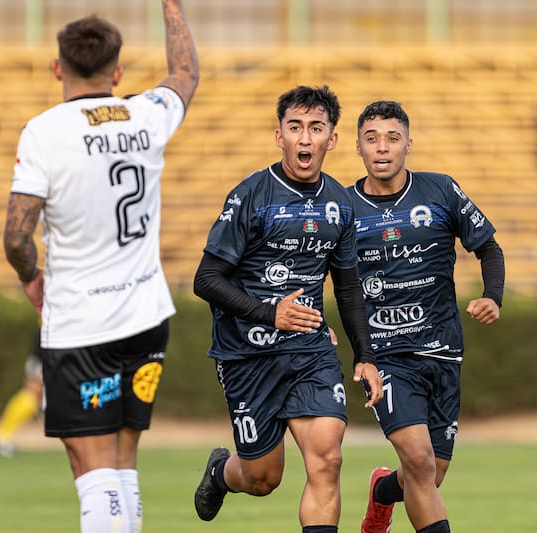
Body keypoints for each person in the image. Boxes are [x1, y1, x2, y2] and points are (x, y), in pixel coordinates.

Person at [2, 3, 198, 532]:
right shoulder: (146, 114)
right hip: (146, 313)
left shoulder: (44, 132)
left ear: (57, 67)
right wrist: (172, 6)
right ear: (117, 72)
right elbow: (184, 73)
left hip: (82, 323)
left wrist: (30, 278)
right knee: (120, 461)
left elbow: (17, 236)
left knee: (91, 469)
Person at [191, 85, 383, 533]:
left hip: (309, 352)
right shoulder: (251, 195)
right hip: (247, 354)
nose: (304, 138)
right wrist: (269, 312)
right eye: (294, 128)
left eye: (315, 129)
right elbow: (206, 280)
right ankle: (222, 472)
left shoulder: (340, 203)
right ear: (279, 136)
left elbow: (349, 287)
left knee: (328, 458)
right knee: (262, 479)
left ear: (331, 140)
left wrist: (366, 354)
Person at [348, 101, 505, 533]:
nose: (383, 148)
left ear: (408, 145)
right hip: (385, 356)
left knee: (429, 474)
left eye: (393, 138)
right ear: (358, 147)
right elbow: (311, 269)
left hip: (442, 351)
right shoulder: (342, 207)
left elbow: (488, 247)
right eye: (372, 138)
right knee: (417, 463)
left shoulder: (440, 191)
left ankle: (382, 492)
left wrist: (493, 295)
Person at [0, 332, 44, 458]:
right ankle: (1, 436)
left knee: (31, 398)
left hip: (42, 358)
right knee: (30, 397)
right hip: (42, 359)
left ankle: (2, 435)